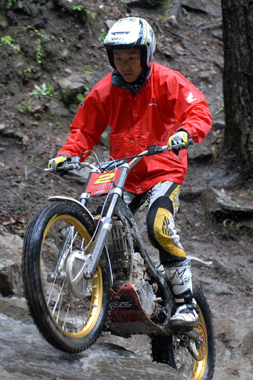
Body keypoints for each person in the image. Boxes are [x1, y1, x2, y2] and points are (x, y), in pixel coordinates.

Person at [47, 17, 212, 331]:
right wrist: (68, 154)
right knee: (100, 224)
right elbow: (83, 130)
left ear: (146, 54)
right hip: (123, 172)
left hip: (164, 169)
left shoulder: (167, 80)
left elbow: (199, 110)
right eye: (119, 59)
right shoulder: (105, 90)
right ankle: (115, 290)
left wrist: (185, 133)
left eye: (131, 58)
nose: (125, 65)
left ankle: (184, 301)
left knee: (159, 227)